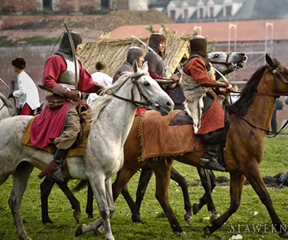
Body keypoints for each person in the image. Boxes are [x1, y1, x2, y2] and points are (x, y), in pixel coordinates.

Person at [35, 30, 104, 182]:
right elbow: (48, 81)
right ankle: (56, 164)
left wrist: (103, 89)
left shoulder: (77, 63)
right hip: (61, 102)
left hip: (76, 102)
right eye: (79, 45)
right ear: (72, 45)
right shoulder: (55, 59)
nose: (81, 48)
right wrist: (66, 93)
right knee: (73, 129)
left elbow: (87, 83)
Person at [182, 35, 232, 171]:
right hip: (197, 97)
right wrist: (221, 84)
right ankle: (208, 157)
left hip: (203, 93)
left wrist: (222, 88)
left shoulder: (198, 60)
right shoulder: (195, 61)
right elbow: (202, 80)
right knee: (223, 120)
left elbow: (207, 83)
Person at [113, 46, 145, 115]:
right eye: (141, 57)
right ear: (135, 58)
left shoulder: (129, 69)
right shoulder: (127, 71)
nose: (143, 60)